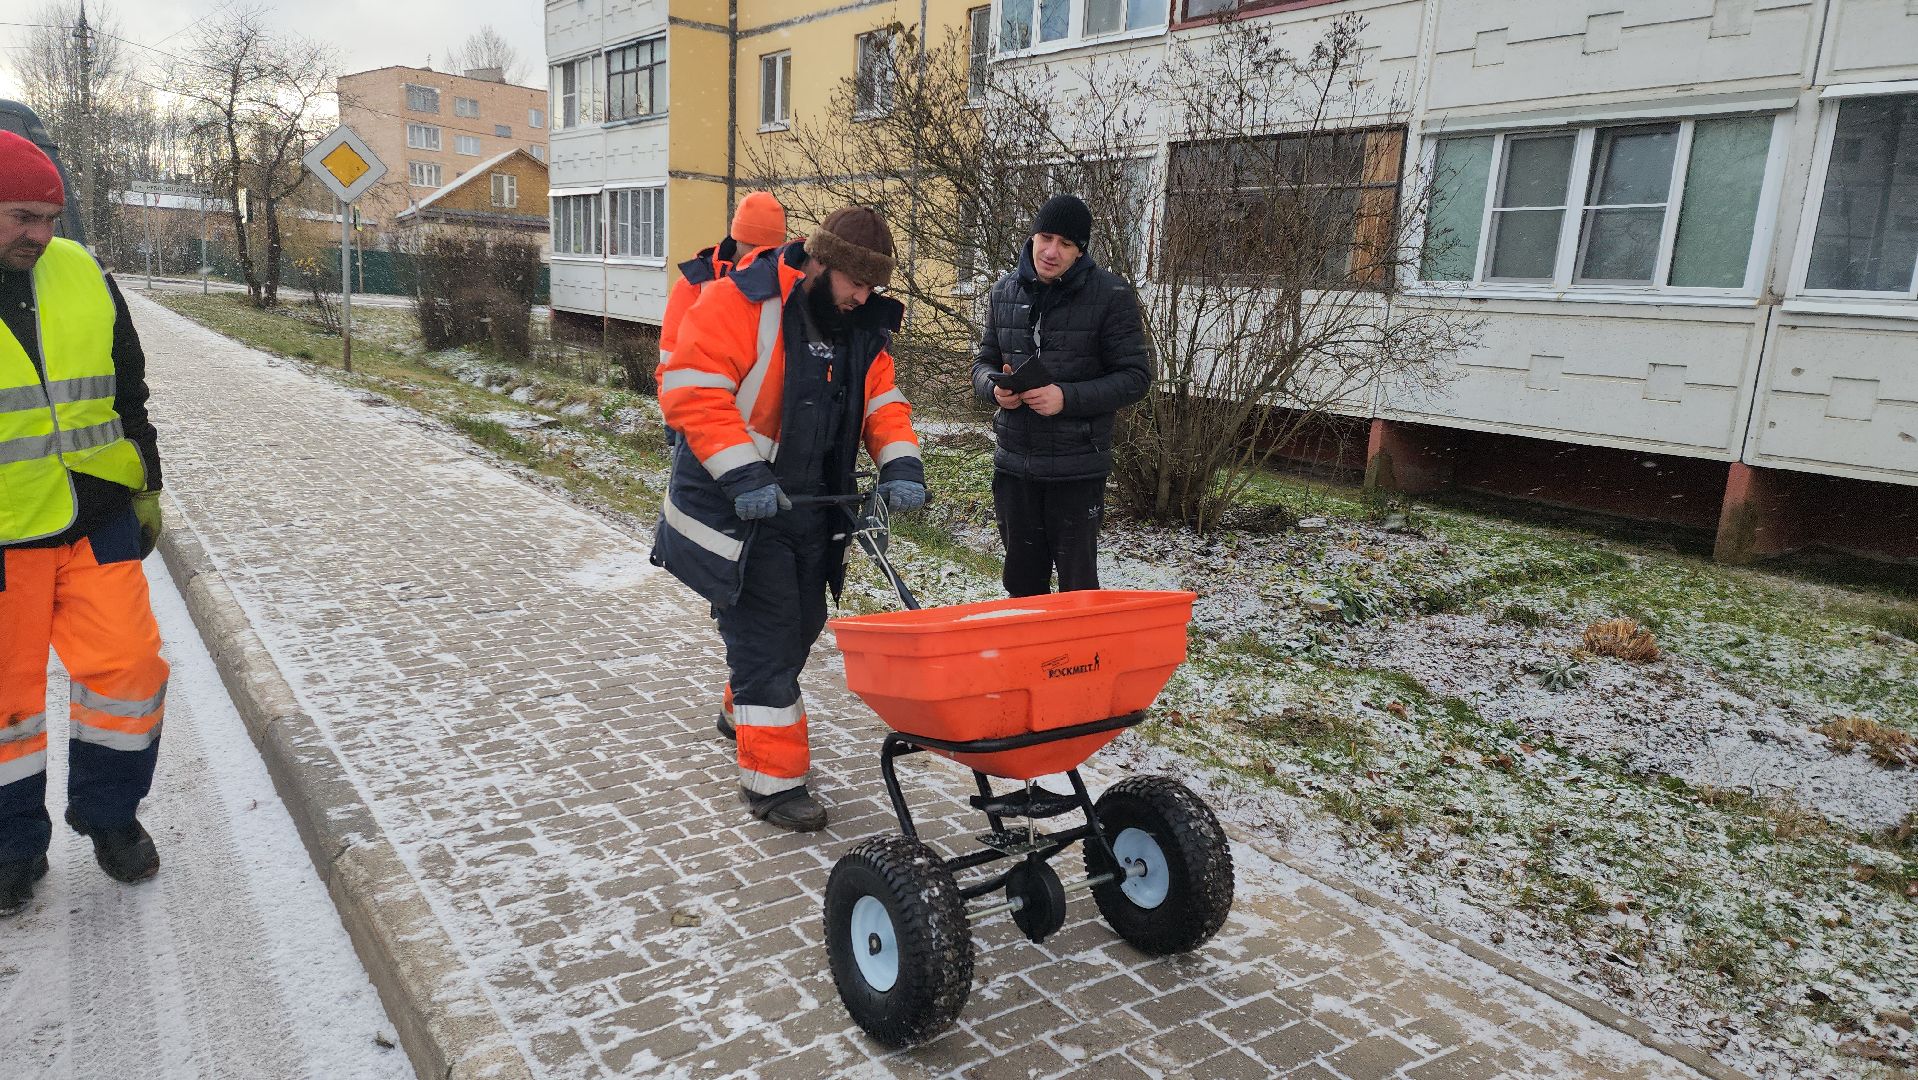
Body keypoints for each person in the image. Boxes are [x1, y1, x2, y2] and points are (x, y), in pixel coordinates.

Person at [651, 206, 927, 832]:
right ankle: (774, 785)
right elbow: (692, 389)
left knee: (803, 622)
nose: (864, 297)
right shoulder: (739, 303)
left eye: (873, 287)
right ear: (821, 262)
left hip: (812, 509)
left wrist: (901, 464)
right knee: (771, 634)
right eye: (856, 282)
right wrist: (745, 474)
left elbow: (883, 403)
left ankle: (740, 707)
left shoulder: (861, 328)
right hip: (737, 508)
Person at [0, 130, 168, 917]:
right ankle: (10, 846)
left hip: (98, 515)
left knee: (128, 671)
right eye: (23, 217)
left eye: (50, 217)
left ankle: (108, 819)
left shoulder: (81, 272)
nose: (41, 234)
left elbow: (128, 389)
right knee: (7, 703)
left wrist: (147, 485)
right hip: (7, 536)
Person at [972, 193, 1150, 597]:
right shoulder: (1004, 292)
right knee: (1021, 583)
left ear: (1080, 251)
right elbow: (983, 363)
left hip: (1077, 469)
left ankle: (1075, 662)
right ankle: (1030, 660)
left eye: (1066, 244)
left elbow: (1136, 377)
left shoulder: (1112, 295)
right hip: (1015, 466)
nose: (1051, 251)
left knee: (1077, 589)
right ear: (1032, 235)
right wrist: (994, 389)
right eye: (1046, 237)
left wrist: (1065, 398)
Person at [654, 191, 787, 398]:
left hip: (747, 409)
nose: (757, 255)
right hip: (694, 402)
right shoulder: (693, 284)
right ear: (736, 238)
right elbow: (670, 354)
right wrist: (673, 405)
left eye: (767, 249)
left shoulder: (780, 284)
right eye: (752, 245)